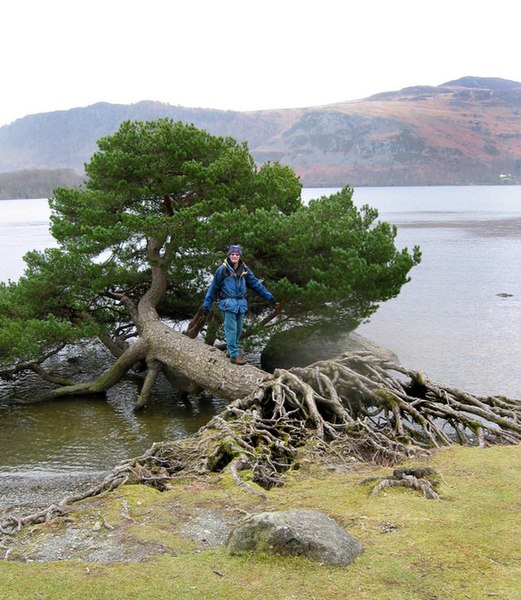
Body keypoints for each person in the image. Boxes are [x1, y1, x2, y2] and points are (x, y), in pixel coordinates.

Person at [202, 244, 276, 365]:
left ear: (240, 256)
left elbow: (256, 284)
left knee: (238, 330)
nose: (235, 256)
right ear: (229, 255)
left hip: (241, 304)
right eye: (232, 254)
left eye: (237, 254)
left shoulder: (245, 270)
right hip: (228, 303)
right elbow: (213, 288)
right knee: (231, 329)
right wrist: (206, 304)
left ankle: (231, 351)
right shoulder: (223, 270)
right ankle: (234, 355)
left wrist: (269, 296)